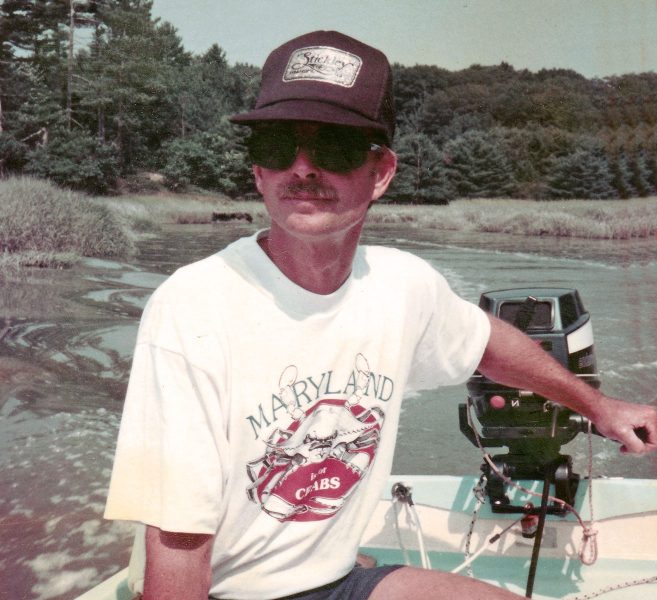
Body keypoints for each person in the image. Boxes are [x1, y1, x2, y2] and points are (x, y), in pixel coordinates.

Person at [104, 30, 657, 600]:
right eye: (275, 146)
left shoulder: (402, 284)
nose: (301, 168)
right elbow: (176, 546)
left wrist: (600, 406)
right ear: (258, 173)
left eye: (334, 149)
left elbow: (488, 343)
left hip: (335, 580)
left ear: (382, 173)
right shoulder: (192, 307)